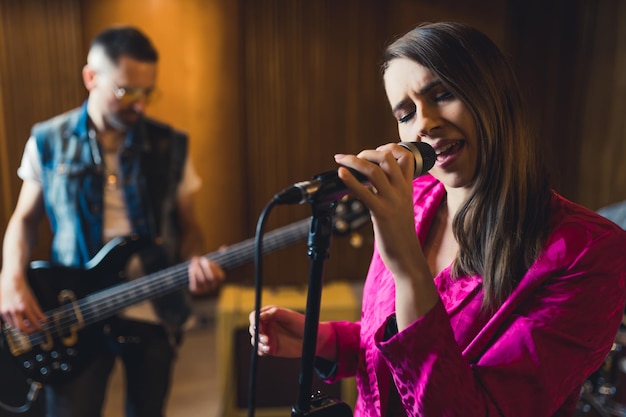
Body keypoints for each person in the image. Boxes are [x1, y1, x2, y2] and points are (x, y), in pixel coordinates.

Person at [249, 22, 626, 417]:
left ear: (495, 96)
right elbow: (392, 341)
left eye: (442, 94)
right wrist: (327, 340)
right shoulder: (413, 200)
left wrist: (408, 268)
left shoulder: (588, 252)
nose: (423, 124)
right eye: (406, 113)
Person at [0, 26, 225, 417]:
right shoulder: (47, 140)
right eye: (127, 92)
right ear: (92, 78)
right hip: (73, 306)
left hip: (152, 305)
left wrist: (195, 260)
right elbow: (24, 220)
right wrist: (10, 279)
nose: (140, 106)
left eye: (147, 93)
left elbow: (188, 226)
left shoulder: (170, 145)